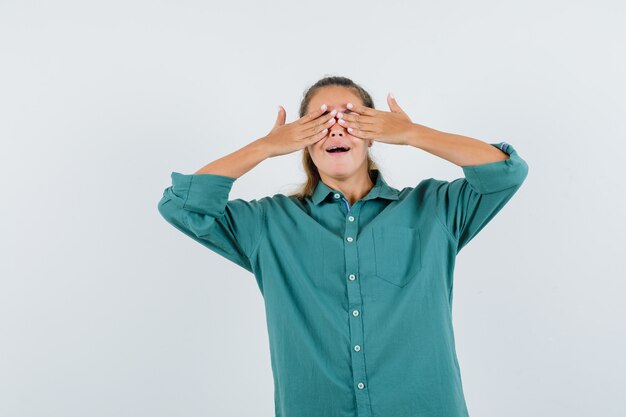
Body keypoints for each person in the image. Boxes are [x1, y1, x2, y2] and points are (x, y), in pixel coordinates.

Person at [157, 75, 529, 417]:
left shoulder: (435, 209)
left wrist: (413, 133)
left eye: (352, 118)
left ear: (372, 134)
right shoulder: (267, 224)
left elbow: (506, 173)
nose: (336, 129)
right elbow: (181, 206)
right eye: (319, 122)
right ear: (302, 138)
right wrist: (266, 146)